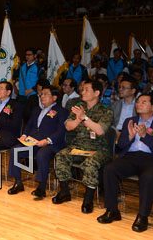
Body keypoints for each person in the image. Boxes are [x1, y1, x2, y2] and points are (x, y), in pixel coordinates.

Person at [97, 94, 153, 233]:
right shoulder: (129, 121)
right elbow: (121, 145)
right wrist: (130, 136)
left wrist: (145, 137)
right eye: (138, 102)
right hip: (131, 157)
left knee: (149, 176)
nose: (139, 104)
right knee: (110, 169)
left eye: (144, 102)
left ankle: (142, 216)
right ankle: (112, 210)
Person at [52, 79, 113, 214]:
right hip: (79, 145)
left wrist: (85, 118)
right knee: (61, 155)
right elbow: (68, 126)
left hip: (98, 148)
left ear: (96, 93)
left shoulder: (106, 110)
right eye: (82, 89)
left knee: (91, 163)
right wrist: (78, 119)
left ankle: (88, 198)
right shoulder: (79, 106)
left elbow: (100, 130)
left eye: (86, 89)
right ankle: (64, 191)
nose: (82, 92)